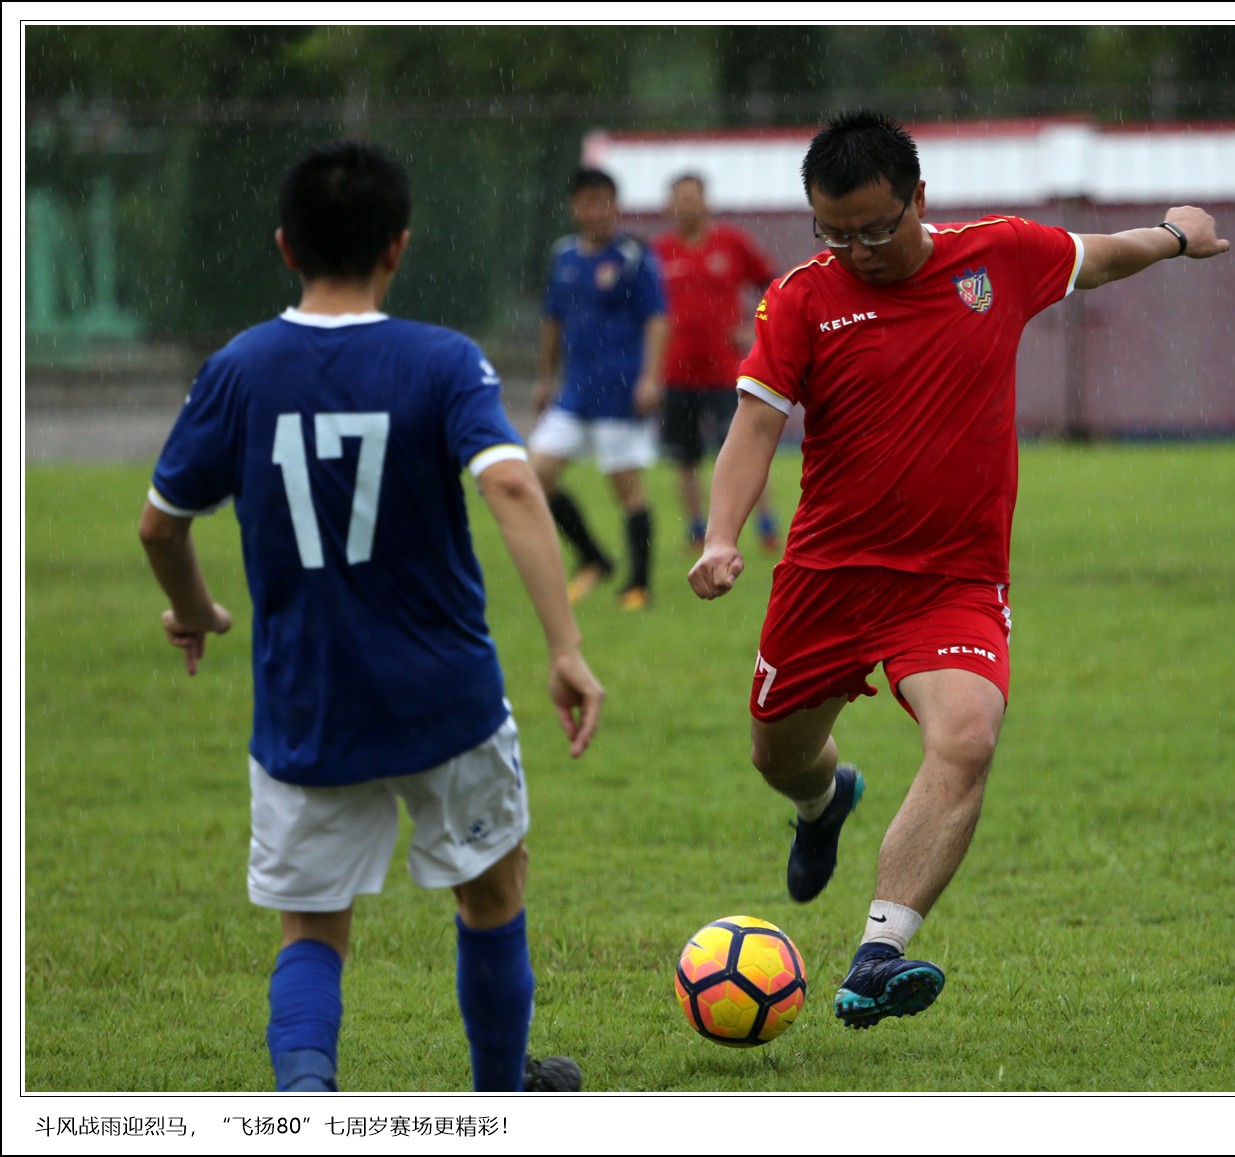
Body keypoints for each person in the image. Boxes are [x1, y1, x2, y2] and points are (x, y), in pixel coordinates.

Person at [687, 111, 1229, 1029]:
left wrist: (1177, 237)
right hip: (828, 575)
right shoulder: (801, 298)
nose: (855, 248)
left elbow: (1099, 254)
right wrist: (719, 534)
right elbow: (755, 422)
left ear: (918, 199)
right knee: (777, 756)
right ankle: (824, 802)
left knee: (969, 735)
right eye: (833, 230)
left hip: (951, 580)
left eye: (873, 226)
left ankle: (877, 953)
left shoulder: (999, 258)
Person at [138, 140, 604, 1093]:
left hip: (308, 699)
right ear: (399, 246)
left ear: (283, 246)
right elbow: (513, 485)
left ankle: (307, 1102)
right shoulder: (440, 360)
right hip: (444, 696)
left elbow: (159, 525)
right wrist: (565, 647)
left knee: (313, 927)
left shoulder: (240, 368)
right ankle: (497, 1095)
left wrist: (196, 609)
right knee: (491, 890)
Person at [529, 167, 669, 611]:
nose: (596, 212)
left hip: (621, 391)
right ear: (575, 207)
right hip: (574, 393)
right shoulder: (564, 256)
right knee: (536, 475)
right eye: (587, 202)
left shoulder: (633, 258)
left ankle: (639, 585)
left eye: (603, 202)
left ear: (616, 206)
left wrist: (650, 377)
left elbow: (658, 320)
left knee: (626, 489)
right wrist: (545, 376)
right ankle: (593, 557)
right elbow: (552, 320)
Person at [654, 173, 783, 552]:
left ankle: (766, 526)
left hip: (727, 370)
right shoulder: (658, 252)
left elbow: (775, 288)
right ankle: (696, 529)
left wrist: (757, 328)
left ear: (706, 202)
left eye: (694, 198)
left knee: (747, 449)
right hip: (676, 372)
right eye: (681, 199)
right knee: (685, 457)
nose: (688, 206)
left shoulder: (732, 243)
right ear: (670, 206)